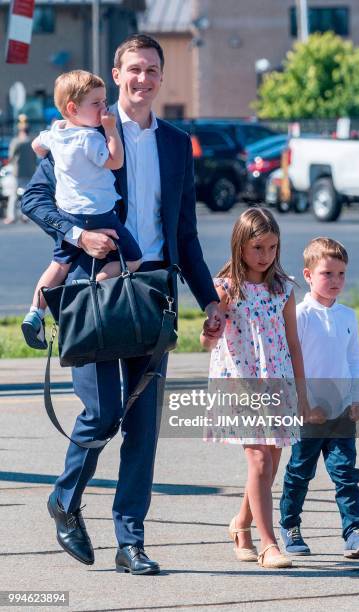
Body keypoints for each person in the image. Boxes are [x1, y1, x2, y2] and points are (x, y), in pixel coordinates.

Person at [22, 34, 224, 575]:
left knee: (142, 426)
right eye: (134, 69)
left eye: (153, 70)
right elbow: (33, 198)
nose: (143, 79)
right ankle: (65, 498)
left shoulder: (178, 143)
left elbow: (185, 232)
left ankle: (130, 539)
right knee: (103, 413)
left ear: (161, 77)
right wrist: (76, 235)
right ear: (116, 74)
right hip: (93, 288)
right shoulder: (83, 129)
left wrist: (209, 300)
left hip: (154, 292)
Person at [200, 208, 310, 569]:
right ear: (240, 246)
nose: (266, 256)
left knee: (270, 463)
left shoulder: (283, 288)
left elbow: (293, 344)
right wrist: (209, 330)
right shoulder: (225, 288)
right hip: (241, 384)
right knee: (260, 460)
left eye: (272, 247)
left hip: (278, 384)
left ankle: (241, 525)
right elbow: (207, 341)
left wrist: (304, 395)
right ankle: (268, 544)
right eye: (258, 247)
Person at [21, 70, 142, 350]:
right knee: (134, 258)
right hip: (99, 213)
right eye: (97, 103)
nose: (105, 108)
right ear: (74, 109)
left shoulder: (55, 133)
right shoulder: (90, 138)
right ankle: (90, 286)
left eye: (104, 101)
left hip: (68, 213)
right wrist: (111, 130)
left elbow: (36, 146)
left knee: (58, 265)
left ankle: (34, 312)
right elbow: (115, 161)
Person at [279, 237, 359, 559]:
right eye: (327, 274)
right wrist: (304, 405)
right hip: (308, 413)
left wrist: (355, 397)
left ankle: (354, 530)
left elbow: (354, 360)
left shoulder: (348, 316)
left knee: (345, 472)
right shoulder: (301, 314)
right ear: (308, 275)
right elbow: (293, 361)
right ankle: (290, 526)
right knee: (299, 472)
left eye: (341, 274)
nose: (335, 281)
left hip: (340, 413)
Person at [4, 116, 37, 225]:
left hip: (17, 172)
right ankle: (25, 216)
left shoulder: (16, 141)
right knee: (27, 195)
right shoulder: (33, 141)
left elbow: (11, 157)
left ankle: (11, 216)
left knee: (13, 195)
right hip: (30, 171)